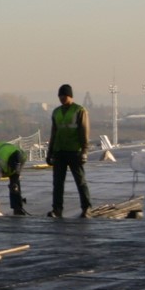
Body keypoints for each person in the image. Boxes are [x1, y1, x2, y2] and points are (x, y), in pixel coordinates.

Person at [47, 84, 92, 217]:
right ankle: (57, 209)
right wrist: (50, 152)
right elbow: (54, 132)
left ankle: (86, 208)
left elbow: (84, 131)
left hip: (74, 151)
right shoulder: (56, 112)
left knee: (80, 181)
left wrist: (84, 150)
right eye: (60, 96)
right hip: (59, 151)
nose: (62, 98)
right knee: (58, 183)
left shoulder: (79, 110)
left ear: (70, 96)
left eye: (64, 96)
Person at [0, 141, 29, 216]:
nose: (14, 169)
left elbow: (16, 176)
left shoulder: (23, 157)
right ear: (9, 163)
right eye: (13, 167)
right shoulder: (1, 162)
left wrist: (14, 186)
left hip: (5, 149)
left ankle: (17, 207)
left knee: (15, 185)